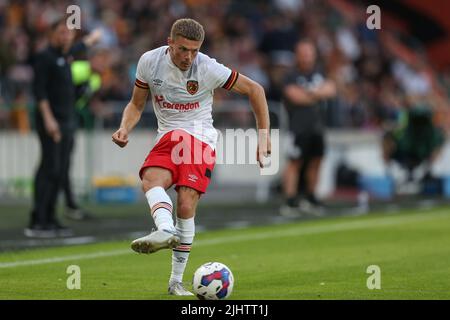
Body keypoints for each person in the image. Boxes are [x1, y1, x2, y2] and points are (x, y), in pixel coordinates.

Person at [112, 18, 271, 296]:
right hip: (169, 136)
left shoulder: (208, 67)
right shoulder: (149, 62)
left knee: (185, 205)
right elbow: (136, 104)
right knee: (150, 180)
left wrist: (264, 134)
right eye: (183, 49)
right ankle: (164, 230)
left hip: (199, 138)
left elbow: (255, 90)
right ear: (170, 42)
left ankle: (176, 279)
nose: (189, 57)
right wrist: (125, 127)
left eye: (195, 50)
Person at [26, 18, 101, 238]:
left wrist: (92, 38)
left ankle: (50, 218)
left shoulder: (65, 56)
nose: (65, 36)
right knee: (49, 169)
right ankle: (38, 220)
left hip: (67, 122)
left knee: (60, 171)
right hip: (52, 122)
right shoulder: (45, 58)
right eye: (61, 32)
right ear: (52, 34)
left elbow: (81, 46)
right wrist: (49, 120)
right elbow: (39, 93)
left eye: (68, 33)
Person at [280, 39, 336, 217]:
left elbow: (331, 90)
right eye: (303, 53)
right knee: (294, 162)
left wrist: (309, 94)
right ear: (297, 55)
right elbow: (295, 97)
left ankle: (310, 197)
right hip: (298, 128)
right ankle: (290, 199)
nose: (306, 57)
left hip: (317, 127)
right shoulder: (290, 76)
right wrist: (317, 94)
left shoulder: (320, 72)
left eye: (309, 53)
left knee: (316, 161)